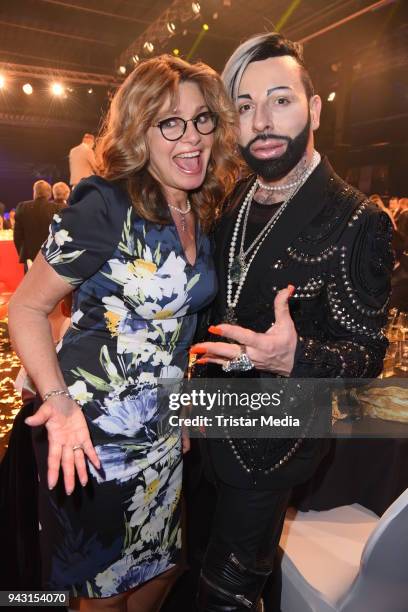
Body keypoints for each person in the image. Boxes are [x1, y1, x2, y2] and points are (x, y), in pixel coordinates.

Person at [8, 55, 238, 611]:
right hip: (89, 440)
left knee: (161, 572)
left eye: (202, 119)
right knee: (102, 596)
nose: (192, 138)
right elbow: (25, 309)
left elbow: (182, 325)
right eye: (170, 123)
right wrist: (59, 405)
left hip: (159, 433)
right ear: (141, 129)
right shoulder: (104, 205)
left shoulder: (200, 205)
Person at [190, 33, 393, 611]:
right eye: (246, 106)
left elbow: (366, 365)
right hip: (204, 428)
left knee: (225, 594)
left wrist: (291, 358)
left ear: (315, 108)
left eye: (280, 100)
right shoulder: (235, 200)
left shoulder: (359, 219)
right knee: (191, 566)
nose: (262, 120)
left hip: (270, 445)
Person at [13, 180, 65, 271]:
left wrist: (23, 254)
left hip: (30, 258)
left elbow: (17, 236)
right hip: (51, 257)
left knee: (31, 284)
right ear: (49, 194)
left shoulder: (22, 207)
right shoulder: (57, 208)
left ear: (35, 192)